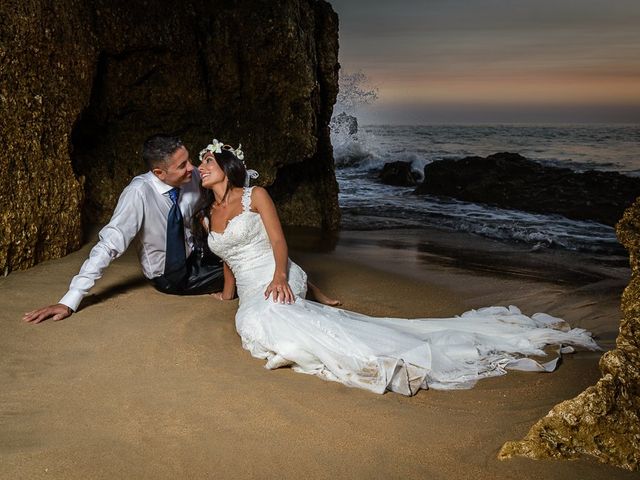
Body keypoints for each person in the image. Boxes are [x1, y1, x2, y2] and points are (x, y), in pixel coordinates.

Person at [196, 140, 600, 396]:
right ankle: (340, 335)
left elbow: (279, 242)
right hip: (250, 288)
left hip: (277, 274)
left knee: (273, 319)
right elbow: (229, 258)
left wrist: (282, 276)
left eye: (208, 160)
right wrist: (228, 294)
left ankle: (374, 361)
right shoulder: (205, 214)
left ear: (228, 166)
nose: (202, 167)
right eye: (200, 164)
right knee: (252, 324)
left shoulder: (256, 195)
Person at [22, 134, 228, 324]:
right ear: (159, 173)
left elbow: (215, 196)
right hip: (170, 274)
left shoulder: (189, 177)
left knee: (242, 255)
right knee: (240, 271)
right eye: (182, 165)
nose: (192, 168)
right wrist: (70, 299)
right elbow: (109, 245)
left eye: (189, 160)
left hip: (197, 252)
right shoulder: (138, 194)